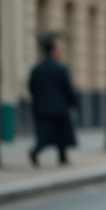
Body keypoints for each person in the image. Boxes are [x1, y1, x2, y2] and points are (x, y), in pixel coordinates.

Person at [28, 37, 78, 166]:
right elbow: (67, 88)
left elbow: (31, 87)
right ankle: (60, 157)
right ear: (53, 51)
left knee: (45, 132)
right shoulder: (61, 68)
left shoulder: (37, 69)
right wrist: (73, 103)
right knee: (61, 132)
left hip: (41, 108)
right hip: (59, 107)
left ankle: (43, 152)